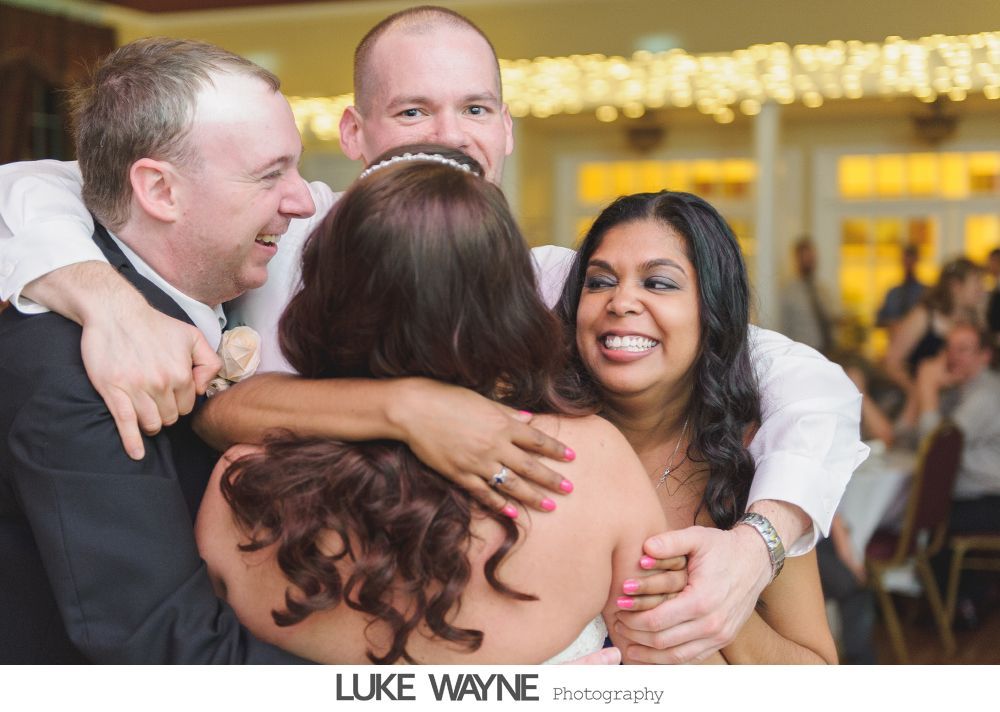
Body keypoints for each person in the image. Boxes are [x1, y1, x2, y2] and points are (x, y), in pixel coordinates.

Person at [0, 5, 865, 663]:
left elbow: (807, 381)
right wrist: (96, 294)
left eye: (476, 110)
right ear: (355, 133)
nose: (449, 136)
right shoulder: (300, 225)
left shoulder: (560, 277)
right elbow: (38, 185)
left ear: (506, 132)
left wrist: (758, 544)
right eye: (413, 112)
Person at [195, 146, 668, 664]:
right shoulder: (593, 462)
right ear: (507, 303)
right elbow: (668, 663)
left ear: (329, 293)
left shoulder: (241, 488)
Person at [0, 38, 318, 662]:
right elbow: (169, 655)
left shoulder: (227, 284)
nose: (302, 201)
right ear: (160, 191)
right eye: (269, 174)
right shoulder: (78, 372)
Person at [556, 191, 837, 663]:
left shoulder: (754, 463)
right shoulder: (531, 441)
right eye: (600, 281)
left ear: (712, 313)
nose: (621, 301)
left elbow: (818, 673)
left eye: (660, 283)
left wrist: (721, 598)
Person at [908, 323, 1000, 625]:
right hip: (975, 496)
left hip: (990, 501)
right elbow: (907, 435)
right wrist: (922, 392)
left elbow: (935, 447)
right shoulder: (960, 391)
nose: (953, 357)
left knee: (926, 524)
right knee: (922, 517)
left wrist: (927, 388)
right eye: (949, 348)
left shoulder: (985, 395)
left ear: (985, 356)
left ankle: (958, 609)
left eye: (964, 349)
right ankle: (953, 604)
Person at [883, 257, 984, 399]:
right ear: (956, 286)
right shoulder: (924, 316)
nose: (982, 290)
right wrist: (916, 392)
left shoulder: (974, 320)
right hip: (920, 399)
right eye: (977, 283)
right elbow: (891, 362)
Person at [779, 236, 838, 355]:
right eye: (804, 258)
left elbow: (831, 318)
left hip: (828, 351)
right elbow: (784, 327)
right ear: (797, 259)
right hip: (804, 352)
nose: (808, 262)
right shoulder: (789, 292)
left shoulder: (822, 289)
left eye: (811, 258)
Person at [876, 243, 927, 335]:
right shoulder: (893, 292)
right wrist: (893, 324)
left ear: (916, 260)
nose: (907, 264)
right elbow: (879, 320)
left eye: (910, 260)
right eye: (905, 260)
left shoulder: (925, 292)